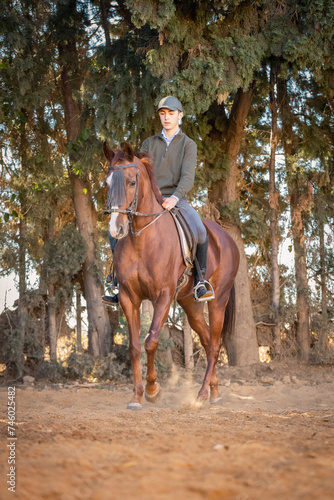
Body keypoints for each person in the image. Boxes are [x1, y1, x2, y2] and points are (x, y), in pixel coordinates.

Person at [102, 96, 214, 305]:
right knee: (114, 233)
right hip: (149, 200)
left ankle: (200, 281)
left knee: (200, 229)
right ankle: (119, 282)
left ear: (180, 115)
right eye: (163, 113)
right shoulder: (149, 143)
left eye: (171, 113)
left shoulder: (188, 145)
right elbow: (139, 174)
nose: (166, 117)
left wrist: (174, 198)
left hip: (176, 200)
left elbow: (188, 178)